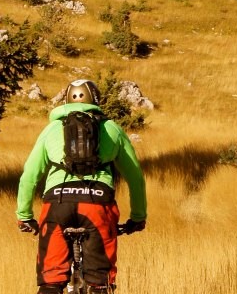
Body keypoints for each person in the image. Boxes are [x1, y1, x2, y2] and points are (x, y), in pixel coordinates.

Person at [16, 79, 147, 294]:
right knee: (99, 282)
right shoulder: (111, 129)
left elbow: (29, 175)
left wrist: (24, 214)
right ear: (95, 100)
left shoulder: (52, 129)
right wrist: (138, 217)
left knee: (50, 280)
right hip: (97, 205)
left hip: (57, 204)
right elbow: (135, 178)